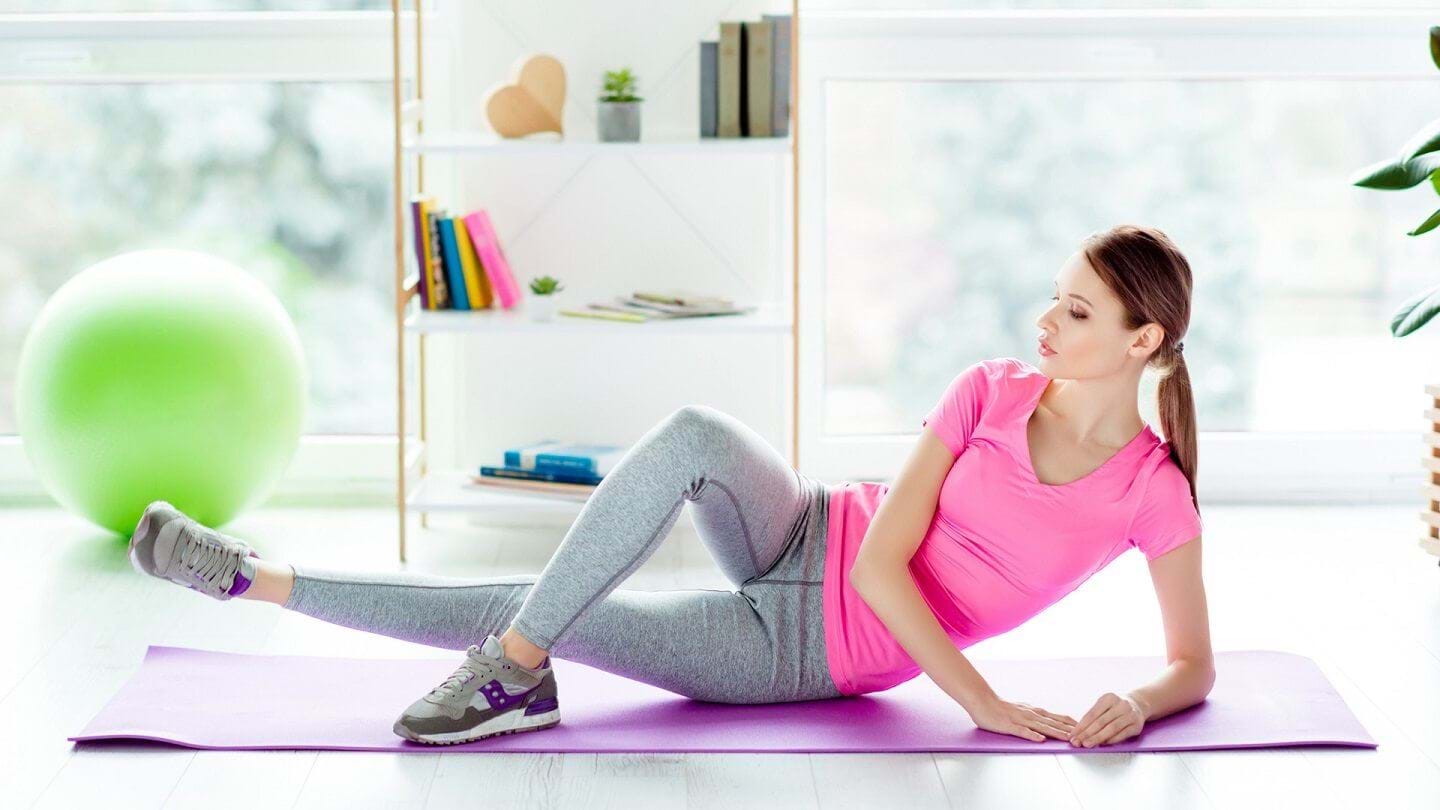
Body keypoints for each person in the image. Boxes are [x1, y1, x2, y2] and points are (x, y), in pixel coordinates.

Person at [129, 223, 1212, 749]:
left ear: (1142, 339)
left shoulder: (1153, 494)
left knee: (523, 604)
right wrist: (975, 702)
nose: (1046, 321)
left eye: (1077, 312)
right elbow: (883, 554)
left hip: (803, 652)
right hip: (810, 530)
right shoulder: (992, 386)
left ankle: (250, 581)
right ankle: (515, 673)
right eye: (1054, 298)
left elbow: (1191, 666)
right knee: (696, 431)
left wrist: (1140, 701)